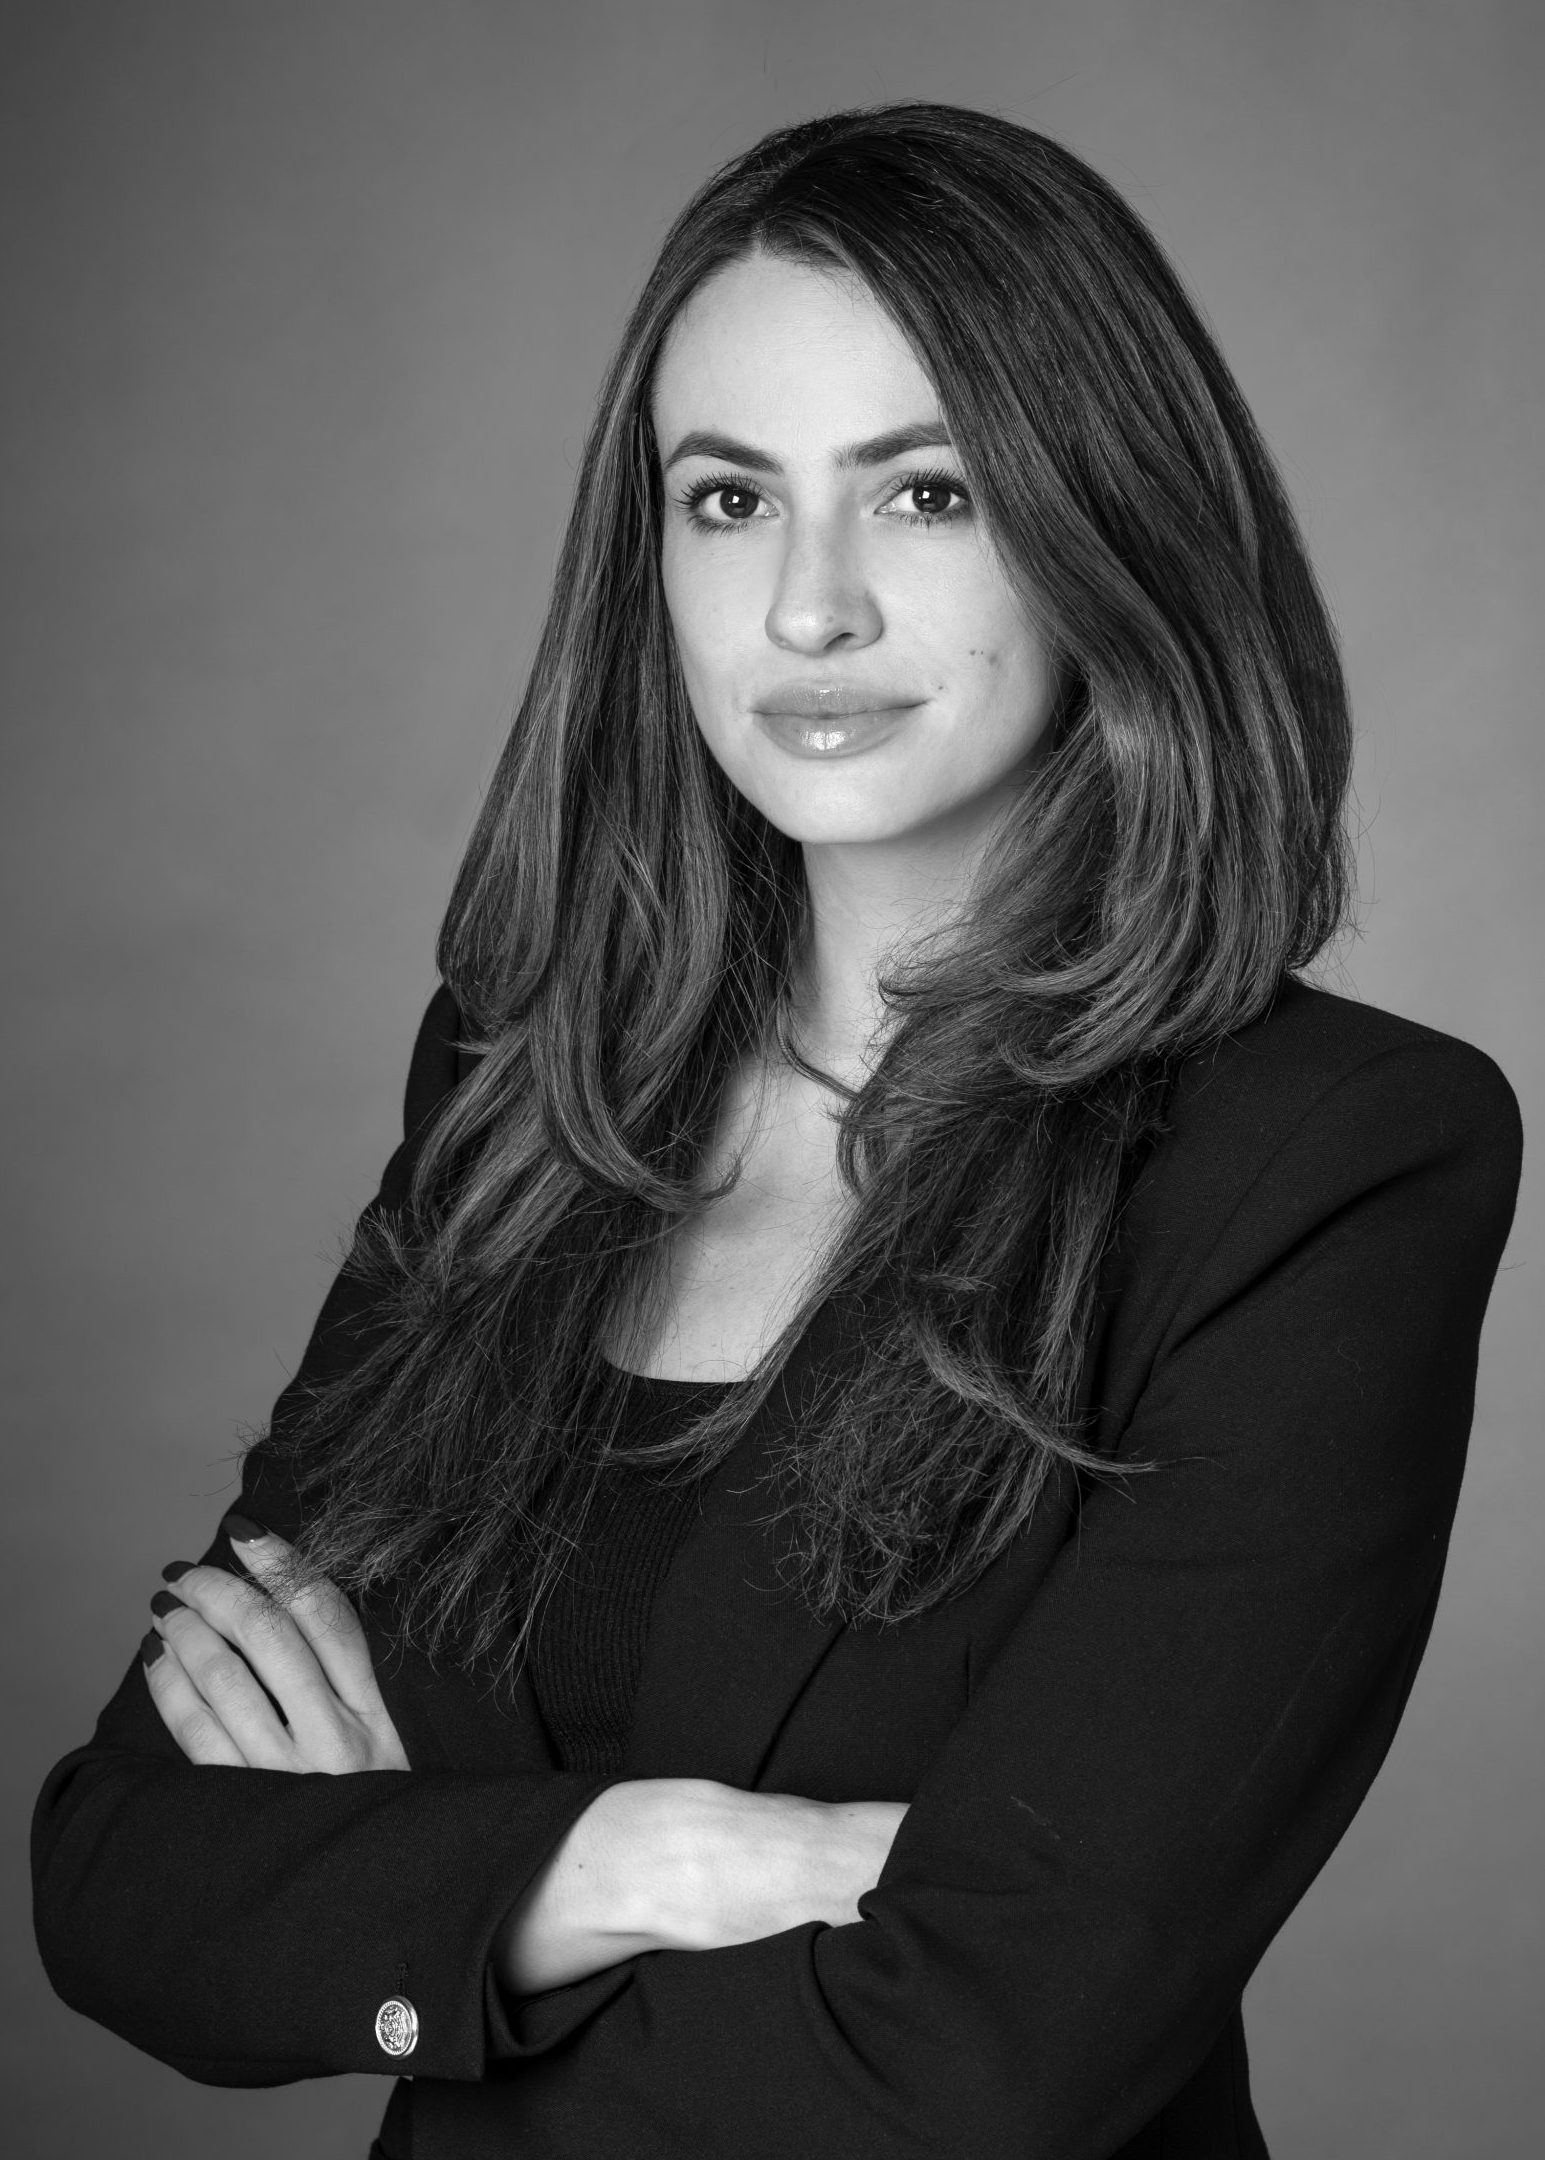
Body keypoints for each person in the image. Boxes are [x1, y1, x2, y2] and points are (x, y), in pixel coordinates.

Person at [32, 101, 1522, 2160]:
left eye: (925, 492)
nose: (808, 609)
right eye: (727, 500)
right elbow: (119, 1879)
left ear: (1108, 524)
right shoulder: (521, 1092)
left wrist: (429, 1895)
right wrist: (637, 1860)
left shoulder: (1322, 1160)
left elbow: (987, 2065)